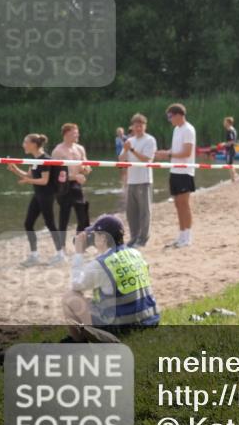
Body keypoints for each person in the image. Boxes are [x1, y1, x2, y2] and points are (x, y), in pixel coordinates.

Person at [62, 214, 160, 342]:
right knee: (101, 294)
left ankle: (82, 340)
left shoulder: (101, 263)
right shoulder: (135, 253)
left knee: (70, 296)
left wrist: (79, 254)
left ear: (103, 238)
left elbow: (76, 284)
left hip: (123, 327)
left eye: (95, 235)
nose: (93, 238)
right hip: (150, 321)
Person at [8, 133, 65, 267]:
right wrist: (14, 169)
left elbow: (44, 181)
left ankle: (60, 254)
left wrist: (28, 180)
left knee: (50, 223)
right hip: (38, 195)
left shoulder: (45, 159)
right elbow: (28, 175)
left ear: (33, 144)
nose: (23, 145)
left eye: (25, 142)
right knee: (28, 224)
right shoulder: (34, 159)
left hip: (46, 195)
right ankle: (34, 255)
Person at [154, 103, 196, 249]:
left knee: (184, 204)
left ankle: (188, 237)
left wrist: (168, 154)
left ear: (178, 115)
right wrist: (165, 153)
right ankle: (181, 235)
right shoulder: (176, 130)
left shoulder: (188, 129)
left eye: (170, 116)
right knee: (178, 204)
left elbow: (187, 152)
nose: (169, 119)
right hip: (175, 171)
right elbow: (176, 150)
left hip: (185, 171)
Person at [52, 123, 92, 246]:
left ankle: (79, 242)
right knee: (64, 217)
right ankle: (61, 246)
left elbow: (87, 165)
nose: (77, 135)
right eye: (75, 133)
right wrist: (75, 176)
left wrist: (86, 169)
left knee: (83, 216)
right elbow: (56, 175)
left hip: (77, 185)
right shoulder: (58, 151)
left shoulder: (80, 148)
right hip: (64, 185)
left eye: (77, 132)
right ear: (66, 134)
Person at [120, 113, 157, 245]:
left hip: (144, 180)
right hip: (131, 181)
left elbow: (147, 159)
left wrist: (132, 150)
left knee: (144, 212)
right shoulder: (130, 140)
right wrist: (125, 150)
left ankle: (143, 238)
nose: (138, 128)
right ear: (132, 127)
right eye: (136, 126)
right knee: (131, 213)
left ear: (144, 126)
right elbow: (121, 160)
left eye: (140, 126)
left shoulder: (150, 140)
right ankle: (134, 237)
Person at [222, 116, 238, 182]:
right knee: (230, 164)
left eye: (224, 122)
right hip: (231, 149)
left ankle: (233, 180)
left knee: (229, 164)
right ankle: (235, 175)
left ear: (228, 123)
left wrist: (224, 144)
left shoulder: (230, 130)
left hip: (231, 150)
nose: (223, 123)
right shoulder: (232, 129)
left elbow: (232, 141)